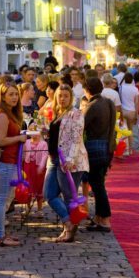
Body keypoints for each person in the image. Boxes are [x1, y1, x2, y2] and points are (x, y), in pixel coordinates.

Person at [44, 84, 89, 242]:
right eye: (60, 95)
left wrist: (70, 159)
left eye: (66, 96)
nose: (62, 99)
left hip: (70, 161)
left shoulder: (75, 114)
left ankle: (69, 231)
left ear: (71, 98)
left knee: (69, 197)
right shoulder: (58, 113)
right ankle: (68, 223)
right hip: (55, 159)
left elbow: (77, 138)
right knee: (49, 194)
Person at [0, 83, 26, 247]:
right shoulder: (2, 115)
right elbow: (0, 140)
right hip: (4, 161)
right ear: (2, 96)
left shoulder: (9, 113)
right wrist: (19, 138)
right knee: (1, 199)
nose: (14, 97)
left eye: (16, 94)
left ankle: (1, 233)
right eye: (10, 94)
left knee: (4, 199)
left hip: (9, 161)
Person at [83, 76, 116, 232]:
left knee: (97, 186)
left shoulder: (93, 105)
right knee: (98, 184)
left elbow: (80, 125)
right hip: (105, 147)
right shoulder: (106, 102)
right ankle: (99, 217)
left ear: (87, 90)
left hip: (95, 148)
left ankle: (105, 219)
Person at [23, 124, 47, 215]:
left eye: (35, 130)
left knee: (39, 186)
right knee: (28, 186)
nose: (33, 133)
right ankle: (27, 207)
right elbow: (23, 155)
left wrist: (41, 166)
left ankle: (40, 209)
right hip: (28, 167)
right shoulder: (27, 142)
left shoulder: (43, 144)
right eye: (31, 130)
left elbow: (45, 157)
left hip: (38, 168)